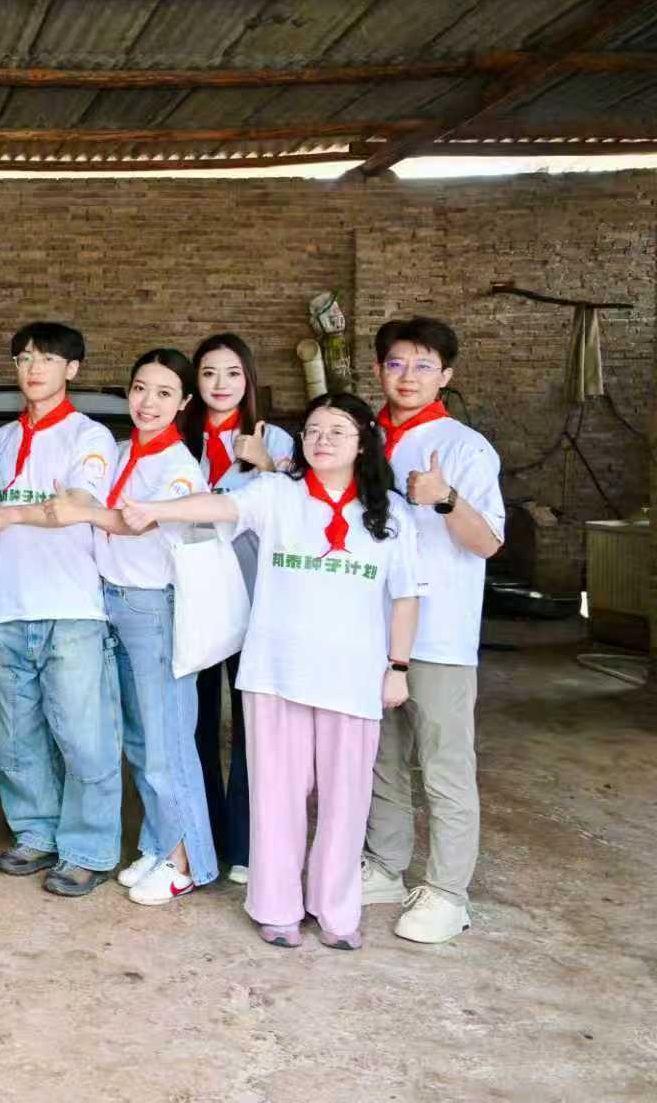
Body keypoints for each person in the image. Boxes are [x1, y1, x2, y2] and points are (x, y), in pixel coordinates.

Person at [121, 392, 422, 950]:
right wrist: (158, 509)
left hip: (352, 675)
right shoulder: (278, 493)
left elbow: (405, 597)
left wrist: (397, 667)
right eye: (313, 430)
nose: (322, 440)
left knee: (346, 801)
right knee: (276, 797)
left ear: (363, 443)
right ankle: (277, 906)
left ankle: (336, 911)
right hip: (276, 673)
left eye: (337, 431)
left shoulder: (391, 513)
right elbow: (218, 506)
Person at [51, 350, 219, 906]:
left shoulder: (178, 465)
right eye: (141, 388)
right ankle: (159, 843)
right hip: (113, 601)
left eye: (164, 393)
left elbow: (137, 522)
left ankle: (187, 861)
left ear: (184, 402)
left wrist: (82, 511)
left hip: (152, 609)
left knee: (168, 742)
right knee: (142, 740)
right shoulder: (124, 451)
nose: (148, 402)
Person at [361, 317, 503, 944]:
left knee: (444, 765)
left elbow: (489, 542)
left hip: (439, 635)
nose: (408, 376)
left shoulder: (466, 448)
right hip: (368, 631)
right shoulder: (361, 439)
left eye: (423, 366)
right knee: (380, 759)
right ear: (378, 371)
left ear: (446, 375)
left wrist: (446, 499)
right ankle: (384, 866)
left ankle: (447, 892)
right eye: (396, 363)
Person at [0, 321, 121, 897]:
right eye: (24, 359)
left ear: (72, 370)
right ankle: (36, 832)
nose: (33, 369)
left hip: (71, 607)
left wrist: (11, 515)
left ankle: (88, 849)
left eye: (48, 359)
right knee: (16, 736)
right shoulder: (4, 440)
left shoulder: (89, 436)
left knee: (84, 737)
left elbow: (78, 503)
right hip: (8, 605)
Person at [180, 333, 294, 887]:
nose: (220, 384)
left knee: (253, 727)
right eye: (208, 373)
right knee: (195, 722)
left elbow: (301, 510)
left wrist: (268, 464)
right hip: (194, 598)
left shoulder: (276, 439)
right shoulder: (181, 439)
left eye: (231, 373)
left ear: (248, 379)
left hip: (254, 600)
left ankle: (247, 845)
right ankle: (204, 835)